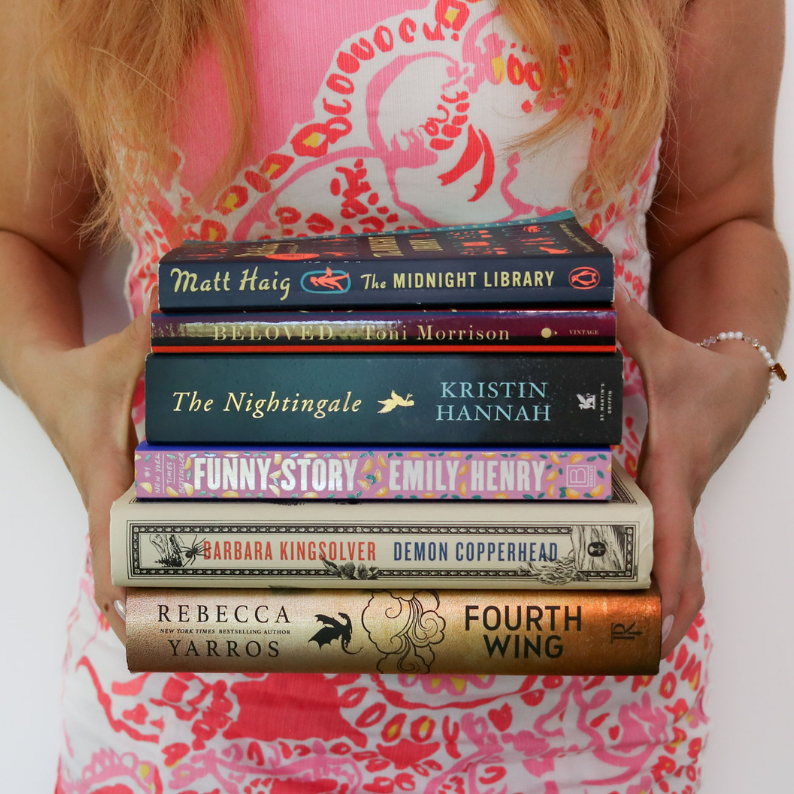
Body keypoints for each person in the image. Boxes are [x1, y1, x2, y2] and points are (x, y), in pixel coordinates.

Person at [0, 0, 787, 791]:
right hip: (184, 683)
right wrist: (63, 396)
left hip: (578, 674)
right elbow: (21, 235)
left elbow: (721, 219)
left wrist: (730, 370)